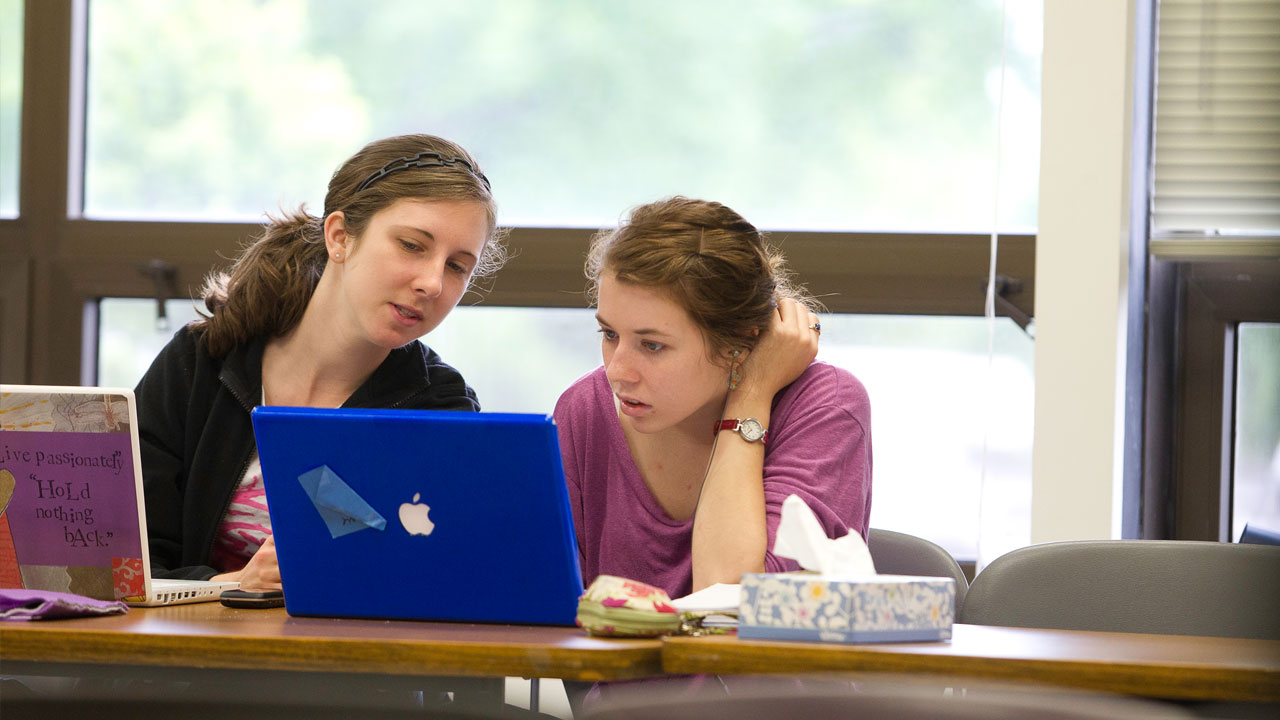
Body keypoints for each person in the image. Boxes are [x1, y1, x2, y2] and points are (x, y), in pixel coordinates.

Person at [135, 134, 506, 589]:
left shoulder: (442, 409)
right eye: (412, 245)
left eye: (457, 267)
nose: (432, 282)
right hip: (190, 650)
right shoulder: (198, 363)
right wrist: (231, 587)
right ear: (339, 237)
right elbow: (126, 561)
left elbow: (437, 584)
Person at [554, 196, 872, 600]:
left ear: (738, 345)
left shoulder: (827, 408)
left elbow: (730, 602)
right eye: (610, 334)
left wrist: (751, 394)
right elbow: (546, 614)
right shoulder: (583, 409)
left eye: (652, 346)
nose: (617, 370)